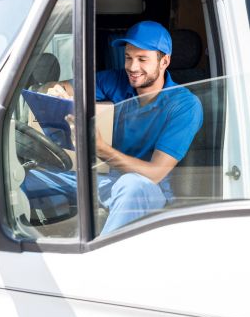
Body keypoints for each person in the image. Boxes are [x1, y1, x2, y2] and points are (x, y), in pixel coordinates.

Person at [22, 20, 203, 235]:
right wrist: (55, 90)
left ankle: (100, 264)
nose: (133, 67)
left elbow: (155, 173)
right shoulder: (116, 80)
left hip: (147, 187)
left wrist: (101, 149)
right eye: (128, 57)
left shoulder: (184, 105)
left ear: (164, 61)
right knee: (22, 176)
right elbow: (64, 86)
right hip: (102, 175)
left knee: (131, 186)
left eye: (142, 59)